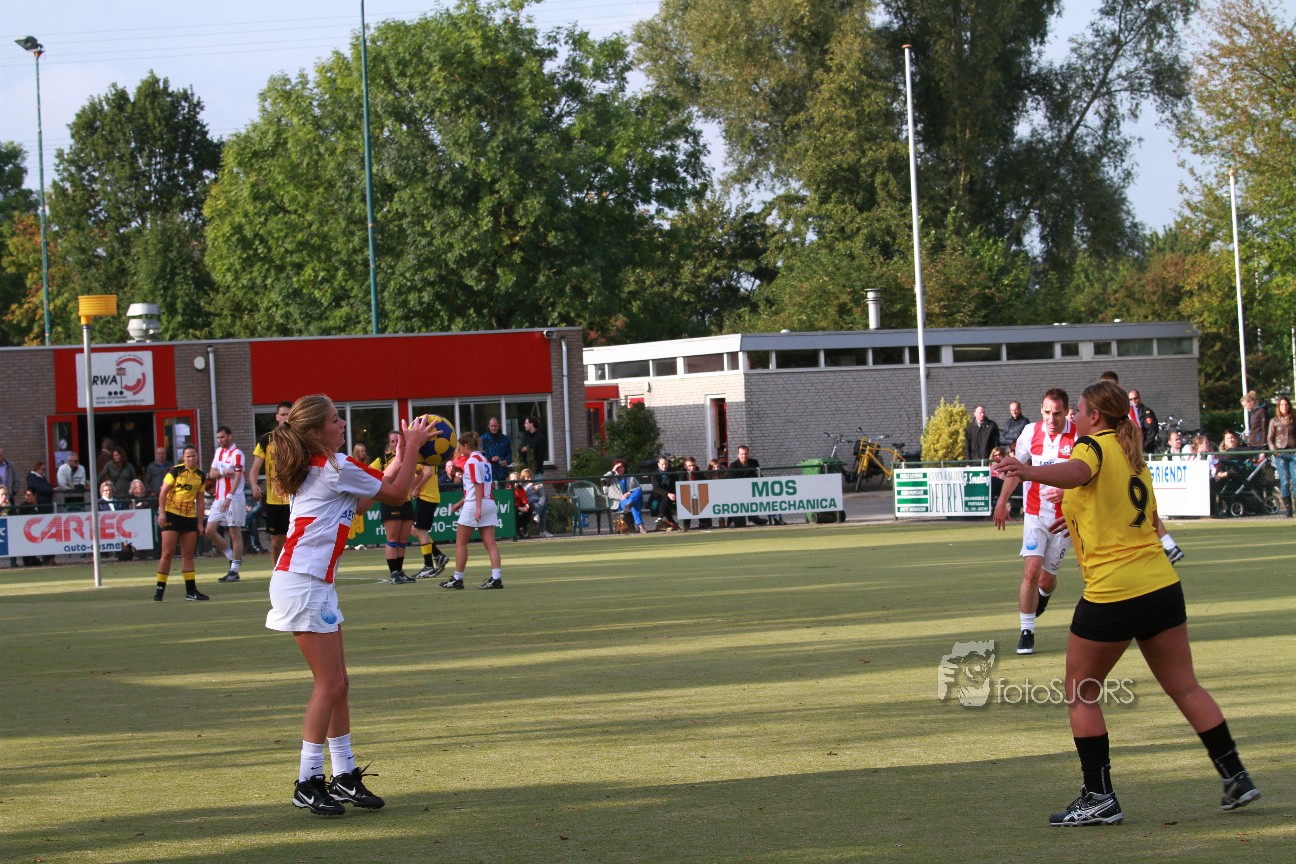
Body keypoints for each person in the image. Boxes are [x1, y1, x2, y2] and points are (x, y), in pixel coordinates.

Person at [993, 379, 1260, 825]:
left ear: (1096, 416)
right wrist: (1077, 515)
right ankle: (1235, 775)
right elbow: (1132, 513)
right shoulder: (1132, 455)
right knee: (1185, 687)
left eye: (1079, 410)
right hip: (1161, 586)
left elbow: (1078, 472)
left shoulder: (1092, 446)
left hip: (1114, 592)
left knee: (1080, 692)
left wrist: (1027, 471)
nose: (1074, 417)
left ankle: (1099, 797)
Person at [266, 395, 431, 815]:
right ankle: (307, 781)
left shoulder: (324, 467)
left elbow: (365, 498)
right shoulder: (333, 466)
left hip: (312, 582)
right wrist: (412, 447)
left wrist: (399, 457)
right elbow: (396, 494)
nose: (342, 425)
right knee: (329, 685)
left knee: (339, 683)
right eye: (335, 420)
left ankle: (343, 774)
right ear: (316, 431)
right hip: (303, 582)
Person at [993, 388, 1076, 656]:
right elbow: (1015, 470)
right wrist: (1002, 502)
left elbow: (1089, 477)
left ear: (1066, 412)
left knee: (1046, 580)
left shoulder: (1079, 436)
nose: (1052, 419)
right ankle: (1026, 632)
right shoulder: (1030, 432)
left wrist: (1068, 492)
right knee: (1031, 571)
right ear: (1041, 410)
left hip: (1064, 519)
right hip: (1035, 514)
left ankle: (1044, 596)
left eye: (1057, 413)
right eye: (1047, 412)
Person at [441, 431, 505, 589]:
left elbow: (477, 485)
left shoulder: (471, 461)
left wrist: (477, 508)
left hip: (476, 504)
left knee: (461, 543)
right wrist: (460, 503)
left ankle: (458, 578)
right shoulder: (485, 460)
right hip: (488, 501)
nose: (460, 450)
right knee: (490, 543)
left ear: (466, 445)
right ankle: (496, 578)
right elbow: (478, 486)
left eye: (461, 447)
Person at [154, 445, 209, 601]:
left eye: (193, 456)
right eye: (188, 456)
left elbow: (200, 501)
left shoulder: (201, 476)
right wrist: (162, 513)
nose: (191, 459)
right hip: (172, 514)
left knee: (188, 555)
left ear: (197, 457)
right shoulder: (175, 471)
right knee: (167, 553)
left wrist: (200, 523)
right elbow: (163, 492)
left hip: (189, 517)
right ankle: (160, 589)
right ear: (183, 458)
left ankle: (191, 591)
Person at [250, 402, 294, 570]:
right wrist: (254, 484)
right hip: (274, 500)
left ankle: (292, 573)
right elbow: (255, 468)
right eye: (283, 414)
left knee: (293, 541)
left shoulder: (299, 439)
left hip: (294, 499)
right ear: (277, 417)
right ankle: (277, 573)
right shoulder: (266, 440)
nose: (285, 418)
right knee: (276, 542)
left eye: (289, 414)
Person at [371, 431, 417, 584]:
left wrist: (413, 488)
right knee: (392, 538)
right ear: (389, 444)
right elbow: (369, 473)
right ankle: (394, 574)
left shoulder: (409, 458)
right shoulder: (383, 459)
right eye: (392, 441)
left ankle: (400, 572)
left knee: (403, 539)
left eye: (398, 440)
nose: (396, 443)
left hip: (406, 502)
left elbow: (421, 473)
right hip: (390, 502)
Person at [207, 426, 247, 583]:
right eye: (218, 438)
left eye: (222, 437)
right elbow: (212, 473)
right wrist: (223, 472)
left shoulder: (238, 454)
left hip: (233, 498)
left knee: (234, 532)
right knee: (209, 530)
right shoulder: (219, 452)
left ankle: (234, 570)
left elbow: (238, 476)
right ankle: (232, 558)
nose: (220, 440)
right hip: (219, 498)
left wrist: (229, 496)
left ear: (229, 436)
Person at [410, 455, 451, 579]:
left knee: (420, 531)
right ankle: (438, 555)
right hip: (427, 496)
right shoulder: (425, 453)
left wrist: (415, 488)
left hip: (427, 496)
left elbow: (428, 473)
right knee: (415, 530)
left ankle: (428, 566)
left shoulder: (426, 453)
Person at [1266, 396, 1294, 517]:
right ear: (1278, 407)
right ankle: (1288, 508)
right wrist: (1274, 450)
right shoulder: (1274, 421)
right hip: (1281, 453)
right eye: (1282, 405)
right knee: (1285, 480)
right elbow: (1270, 438)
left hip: (1293, 453)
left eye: (1286, 404)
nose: (1284, 407)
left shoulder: (1294, 419)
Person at [603, 458, 646, 533]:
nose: (620, 469)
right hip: (620, 502)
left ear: (625, 468)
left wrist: (629, 493)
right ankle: (640, 526)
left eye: (622, 467)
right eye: (618, 467)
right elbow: (603, 479)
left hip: (630, 500)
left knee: (638, 491)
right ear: (614, 468)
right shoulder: (611, 479)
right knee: (634, 504)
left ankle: (630, 502)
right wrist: (613, 471)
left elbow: (638, 489)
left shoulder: (631, 478)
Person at [727, 445, 766, 527]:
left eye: (745, 454)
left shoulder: (754, 463)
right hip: (738, 492)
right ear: (738, 455)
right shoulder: (733, 466)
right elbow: (732, 482)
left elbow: (758, 476)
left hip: (752, 490)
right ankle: (734, 520)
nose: (744, 456)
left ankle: (754, 518)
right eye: (742, 454)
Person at [648, 455, 680, 531]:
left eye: (666, 464)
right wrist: (668, 494)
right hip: (657, 496)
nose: (664, 466)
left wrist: (674, 494)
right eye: (662, 464)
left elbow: (674, 485)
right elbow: (656, 489)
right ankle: (662, 517)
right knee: (666, 499)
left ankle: (670, 522)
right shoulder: (654, 474)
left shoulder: (671, 473)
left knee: (667, 502)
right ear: (658, 464)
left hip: (671, 496)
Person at [1126, 390, 1160, 454]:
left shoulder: (1147, 412)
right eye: (1131, 399)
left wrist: (1142, 447)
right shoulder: (1128, 413)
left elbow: (1151, 432)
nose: (1133, 401)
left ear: (1139, 398)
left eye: (1135, 398)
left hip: (1145, 449)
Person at [520, 468, 551, 537]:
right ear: (523, 477)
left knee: (544, 497)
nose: (529, 479)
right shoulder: (522, 485)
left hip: (537, 501)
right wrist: (528, 486)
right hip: (530, 502)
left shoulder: (533, 484)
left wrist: (536, 489)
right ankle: (543, 531)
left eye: (530, 477)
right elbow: (522, 492)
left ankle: (537, 514)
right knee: (544, 509)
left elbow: (539, 495)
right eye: (527, 477)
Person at [678, 456, 704, 530]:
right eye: (689, 466)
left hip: (698, 496)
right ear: (685, 466)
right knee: (686, 506)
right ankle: (685, 524)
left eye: (693, 465)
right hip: (685, 496)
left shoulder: (699, 473)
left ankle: (703, 522)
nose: (692, 468)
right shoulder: (681, 473)